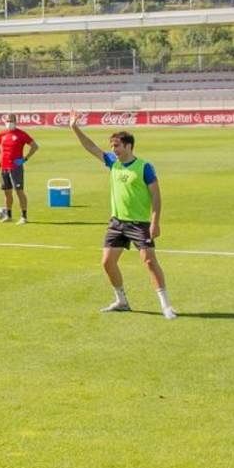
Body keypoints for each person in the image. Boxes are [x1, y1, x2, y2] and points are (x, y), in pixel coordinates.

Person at [68, 115, 176, 319]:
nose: (113, 149)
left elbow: (156, 195)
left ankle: (166, 305)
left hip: (139, 224)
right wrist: (74, 128)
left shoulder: (144, 167)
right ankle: (122, 301)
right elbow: (90, 147)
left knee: (149, 261)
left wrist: (155, 222)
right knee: (107, 262)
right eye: (112, 146)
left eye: (117, 145)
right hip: (117, 222)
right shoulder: (112, 162)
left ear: (128, 146)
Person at [0, 114, 38, 224]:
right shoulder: (2, 134)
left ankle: (24, 216)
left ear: (15, 121)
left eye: (11, 120)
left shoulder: (21, 134)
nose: (9, 122)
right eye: (7, 121)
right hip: (4, 167)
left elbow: (35, 146)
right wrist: (0, 156)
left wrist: (24, 159)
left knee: (19, 191)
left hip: (16, 167)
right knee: (7, 193)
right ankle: (8, 216)